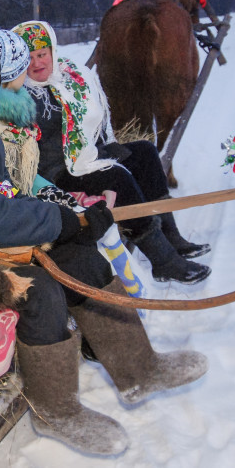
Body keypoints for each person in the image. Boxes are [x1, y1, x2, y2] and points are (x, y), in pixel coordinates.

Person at [0, 35, 207, 456]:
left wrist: (75, 217)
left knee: (82, 260)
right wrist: (58, 221)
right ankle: (57, 411)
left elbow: (5, 198)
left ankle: (141, 369)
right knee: (38, 290)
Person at [13, 20, 212, 284]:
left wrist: (104, 144)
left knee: (144, 153)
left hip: (87, 155)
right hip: (57, 173)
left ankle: (171, 235)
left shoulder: (70, 75)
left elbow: (95, 116)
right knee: (116, 176)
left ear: (52, 51)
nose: (37, 63)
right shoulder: (18, 96)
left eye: (42, 54)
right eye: (29, 58)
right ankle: (163, 261)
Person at [0, 29, 146, 303]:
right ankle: (127, 300)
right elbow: (9, 179)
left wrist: (72, 197)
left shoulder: (16, 103)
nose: (33, 67)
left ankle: (132, 297)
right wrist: (59, 200)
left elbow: (29, 175)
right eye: (25, 62)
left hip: (33, 192)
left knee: (100, 221)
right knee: (90, 231)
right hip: (10, 211)